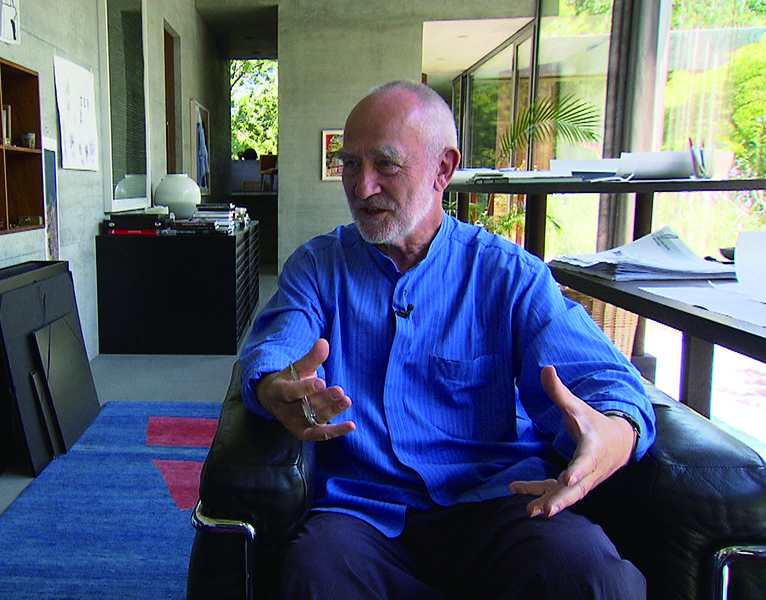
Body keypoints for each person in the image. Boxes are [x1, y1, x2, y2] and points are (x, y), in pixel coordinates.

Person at [238, 81, 656, 599]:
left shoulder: (507, 275)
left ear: (443, 168)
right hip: (363, 512)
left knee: (590, 574)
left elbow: (601, 380)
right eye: (350, 164)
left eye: (385, 165)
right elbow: (278, 345)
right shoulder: (318, 268)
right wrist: (275, 387)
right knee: (315, 575)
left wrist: (615, 429)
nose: (362, 187)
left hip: (498, 502)